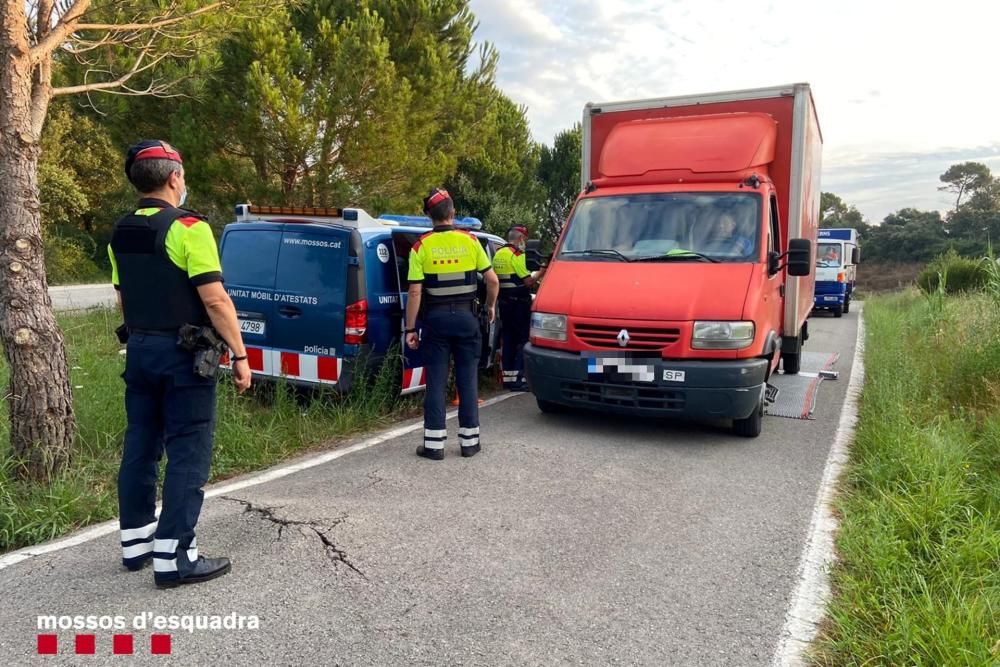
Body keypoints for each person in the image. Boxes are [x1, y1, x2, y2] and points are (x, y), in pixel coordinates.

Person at [109, 140, 252, 588]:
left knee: (141, 444)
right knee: (189, 449)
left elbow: (122, 297)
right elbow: (215, 299)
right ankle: (175, 557)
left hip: (141, 349)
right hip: (184, 355)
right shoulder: (189, 228)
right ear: (174, 178)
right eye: (183, 176)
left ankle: (137, 545)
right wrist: (242, 356)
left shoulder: (121, 230)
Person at [404, 188, 499, 460]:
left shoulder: (420, 246)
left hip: (435, 322)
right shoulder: (470, 241)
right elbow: (492, 281)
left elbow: (414, 292)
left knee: (435, 381)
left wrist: (411, 329)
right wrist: (490, 306)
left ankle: (433, 446)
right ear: (453, 213)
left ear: (429, 217)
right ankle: (470, 444)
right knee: (467, 379)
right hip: (467, 319)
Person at [492, 225, 545, 390]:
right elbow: (528, 281)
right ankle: (519, 379)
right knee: (523, 340)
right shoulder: (517, 256)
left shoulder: (498, 254)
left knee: (508, 340)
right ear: (521, 239)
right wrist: (541, 272)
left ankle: (508, 379)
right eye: (525, 239)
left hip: (504, 304)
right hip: (519, 305)